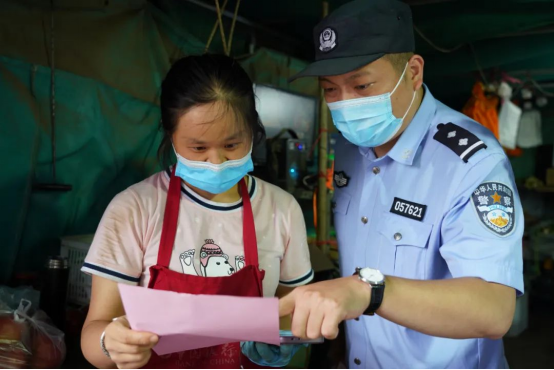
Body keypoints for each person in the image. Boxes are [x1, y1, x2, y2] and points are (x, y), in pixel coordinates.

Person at [280, 1, 524, 368]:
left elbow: (494, 309)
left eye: (362, 85)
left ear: (412, 72)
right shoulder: (349, 148)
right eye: (330, 90)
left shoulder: (472, 161)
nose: (345, 104)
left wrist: (369, 291)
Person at [80, 54, 314, 369]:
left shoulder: (282, 209)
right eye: (199, 148)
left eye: (232, 145)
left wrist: (286, 334)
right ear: (171, 134)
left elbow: (291, 307)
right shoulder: (135, 207)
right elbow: (94, 332)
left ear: (253, 130)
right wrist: (110, 343)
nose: (216, 162)